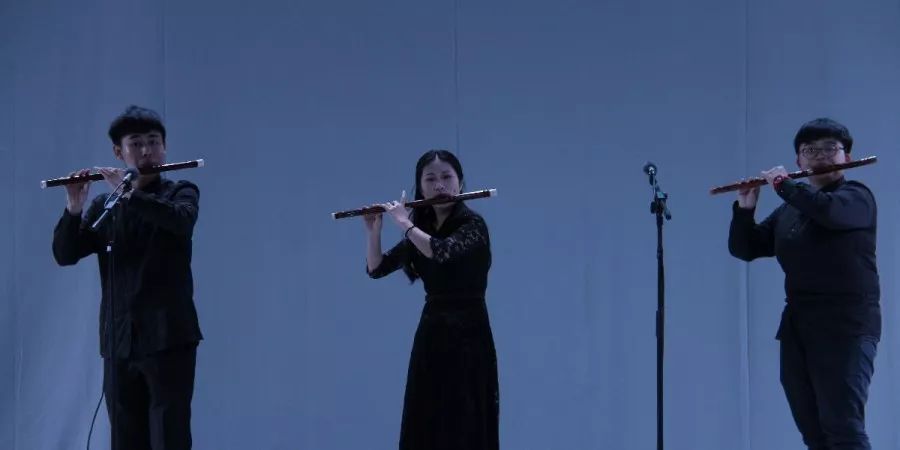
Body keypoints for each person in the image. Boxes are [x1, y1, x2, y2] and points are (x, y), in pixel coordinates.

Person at [52, 105, 202, 449]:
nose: (147, 150)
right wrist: (74, 208)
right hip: (118, 341)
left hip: (168, 338)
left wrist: (131, 195)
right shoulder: (105, 205)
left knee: (169, 438)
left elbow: (180, 222)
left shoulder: (181, 192)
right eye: (136, 143)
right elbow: (65, 254)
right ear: (119, 153)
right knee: (125, 438)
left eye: (154, 141)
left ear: (164, 146)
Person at [728, 118, 879, 449]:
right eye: (810, 150)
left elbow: (828, 212)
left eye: (829, 149)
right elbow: (746, 248)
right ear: (798, 160)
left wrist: (785, 185)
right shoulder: (791, 210)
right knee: (813, 432)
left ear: (847, 156)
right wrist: (745, 209)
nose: (820, 156)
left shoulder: (856, 197)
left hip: (846, 327)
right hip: (799, 328)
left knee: (842, 427)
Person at [364, 149, 499, 450]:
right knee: (426, 415)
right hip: (432, 332)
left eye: (447, 177)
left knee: (464, 418)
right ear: (420, 187)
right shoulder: (420, 231)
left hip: (469, 332)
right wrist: (374, 231)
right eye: (431, 179)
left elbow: (440, 251)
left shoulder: (473, 226)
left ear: (460, 182)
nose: (439, 185)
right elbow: (376, 268)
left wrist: (405, 224)